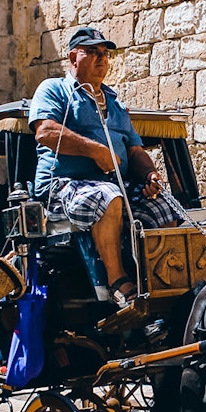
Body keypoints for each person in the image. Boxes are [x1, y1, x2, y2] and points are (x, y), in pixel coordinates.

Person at [28, 26, 180, 310]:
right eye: (93, 52)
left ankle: (159, 278)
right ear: (74, 57)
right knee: (109, 197)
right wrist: (94, 150)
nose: (102, 59)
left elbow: (135, 150)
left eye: (105, 54)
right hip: (62, 186)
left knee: (165, 208)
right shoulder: (54, 90)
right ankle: (117, 284)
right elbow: (45, 132)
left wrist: (150, 174)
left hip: (113, 185)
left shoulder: (115, 103)